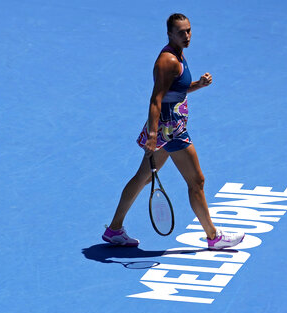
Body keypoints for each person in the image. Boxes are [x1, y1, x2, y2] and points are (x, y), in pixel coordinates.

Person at [103, 13, 243, 250]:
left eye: (189, 30)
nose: (187, 36)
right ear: (169, 34)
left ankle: (114, 229)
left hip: (168, 128)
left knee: (143, 178)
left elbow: (175, 91)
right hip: (170, 130)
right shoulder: (167, 61)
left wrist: (197, 85)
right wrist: (153, 135)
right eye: (181, 32)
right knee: (197, 181)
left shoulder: (178, 53)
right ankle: (213, 237)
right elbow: (156, 100)